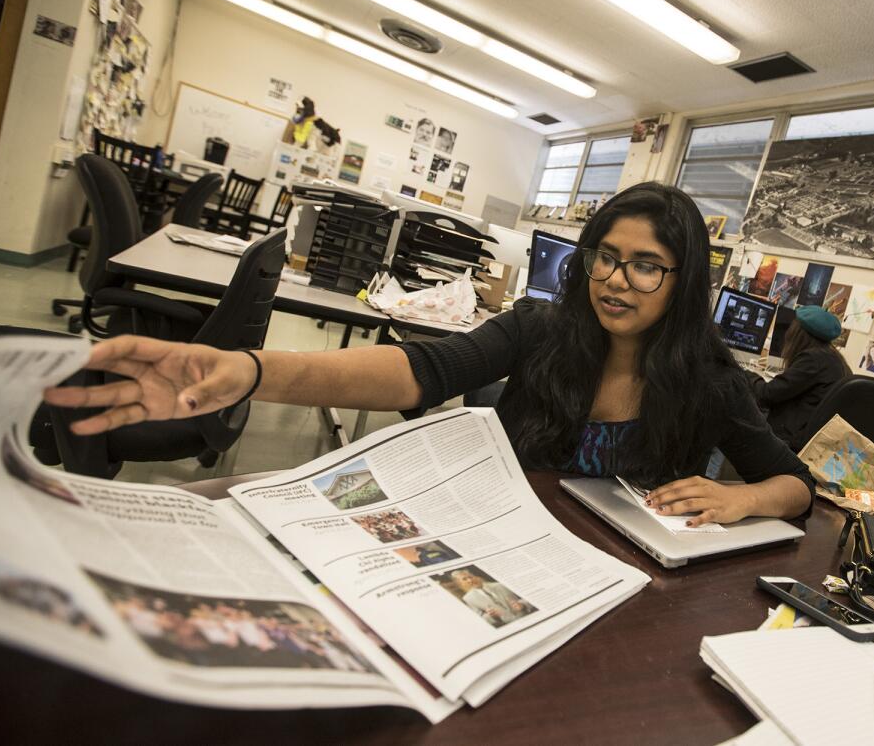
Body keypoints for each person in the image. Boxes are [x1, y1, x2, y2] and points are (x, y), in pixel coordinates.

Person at [44, 182, 813, 526]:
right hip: (494, 542)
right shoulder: (543, 327)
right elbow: (420, 369)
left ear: (682, 282)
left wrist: (745, 498)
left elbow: (793, 484)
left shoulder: (710, 378)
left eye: (646, 264)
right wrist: (253, 370)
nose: (617, 280)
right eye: (605, 256)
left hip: (622, 578)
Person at [751, 306, 849, 450]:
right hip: (812, 442)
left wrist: (745, 374)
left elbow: (767, 394)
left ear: (797, 333)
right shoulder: (835, 360)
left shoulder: (813, 360)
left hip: (790, 442)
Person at [451, 569, 530, 627]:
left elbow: (528, 596)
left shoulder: (500, 584)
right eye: (464, 579)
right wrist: (491, 616)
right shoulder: (468, 599)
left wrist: (522, 605)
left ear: (476, 577)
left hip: (528, 617)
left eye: (470, 577)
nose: (470, 580)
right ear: (460, 584)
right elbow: (481, 620)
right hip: (508, 626)